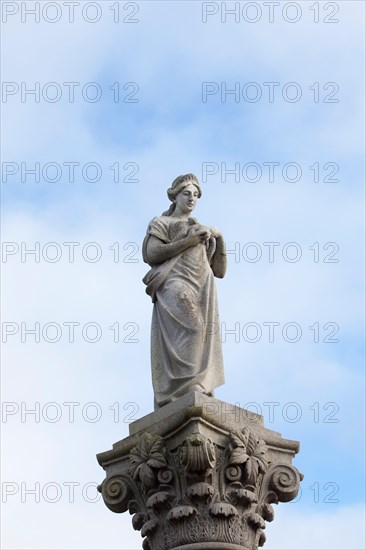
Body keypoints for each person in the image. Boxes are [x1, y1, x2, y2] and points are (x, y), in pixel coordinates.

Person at [142, 174, 226, 409]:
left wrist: (219, 238)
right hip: (174, 281)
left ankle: (198, 383)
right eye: (187, 193)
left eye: (196, 195)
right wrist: (189, 241)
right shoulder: (161, 222)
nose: (192, 198)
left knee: (204, 332)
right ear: (175, 195)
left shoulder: (199, 226)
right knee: (194, 327)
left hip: (203, 283)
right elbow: (153, 254)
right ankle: (184, 385)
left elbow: (219, 271)